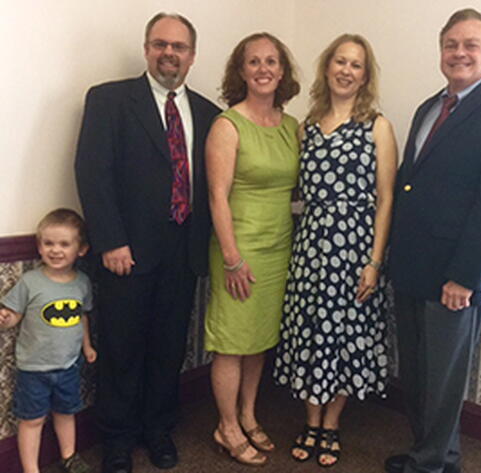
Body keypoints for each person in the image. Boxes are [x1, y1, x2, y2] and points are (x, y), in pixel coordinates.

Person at [386, 8, 481, 473]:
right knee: (416, 375)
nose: (459, 53)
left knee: (444, 379)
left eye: (471, 45)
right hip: (411, 267)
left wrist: (465, 276)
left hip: (455, 275)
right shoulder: (428, 107)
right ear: (440, 52)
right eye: (451, 44)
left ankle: (432, 464)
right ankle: (432, 453)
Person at [74, 12, 220, 473]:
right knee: (121, 347)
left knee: (168, 346)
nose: (169, 53)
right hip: (126, 254)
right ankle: (116, 438)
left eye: (178, 47)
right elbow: (92, 174)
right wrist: (111, 241)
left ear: (192, 56)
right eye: (160, 44)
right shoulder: (110, 100)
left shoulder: (209, 113)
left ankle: (158, 429)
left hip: (184, 253)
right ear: (146, 49)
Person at [273, 34, 398, 467]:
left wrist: (374, 262)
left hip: (357, 247)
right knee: (310, 331)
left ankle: (332, 423)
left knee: (348, 334)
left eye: (356, 65)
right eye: (340, 61)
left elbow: (386, 200)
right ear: (327, 68)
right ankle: (311, 420)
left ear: (365, 75)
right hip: (310, 245)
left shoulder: (378, 126)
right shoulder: (304, 127)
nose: (346, 70)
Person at [204, 32, 300, 466]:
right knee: (231, 341)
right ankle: (226, 426)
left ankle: (247, 413)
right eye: (254, 62)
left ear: (283, 71)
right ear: (240, 71)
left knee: (259, 338)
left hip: (280, 246)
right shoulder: (228, 124)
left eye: (272, 61)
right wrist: (232, 258)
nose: (264, 69)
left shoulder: (292, 126)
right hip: (237, 247)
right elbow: (217, 197)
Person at [0, 209, 96, 473]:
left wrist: (86, 346)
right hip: (33, 369)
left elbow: (81, 317)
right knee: (31, 420)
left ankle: (69, 456)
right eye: (48, 243)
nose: (55, 250)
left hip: (68, 366)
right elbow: (15, 318)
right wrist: (5, 318)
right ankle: (31, 468)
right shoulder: (30, 282)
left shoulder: (82, 283)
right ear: (39, 247)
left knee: (66, 413)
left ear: (82, 249)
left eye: (64, 244)